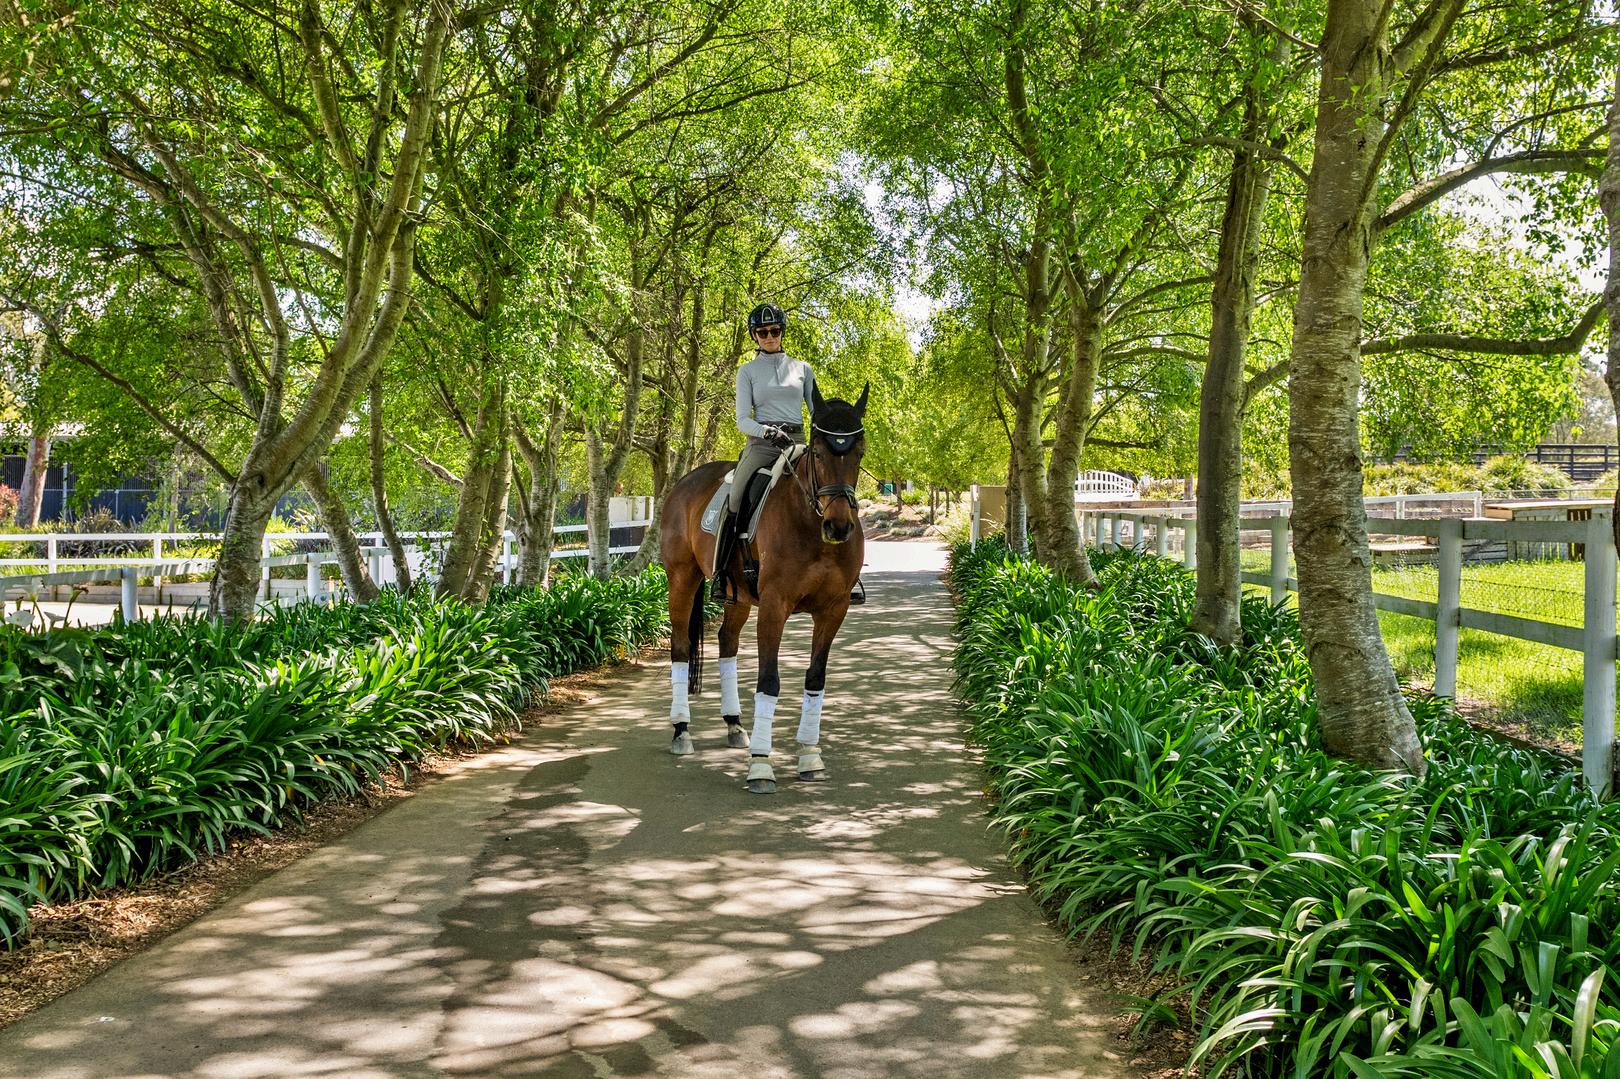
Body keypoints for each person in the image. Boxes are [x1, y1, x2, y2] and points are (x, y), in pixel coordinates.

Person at [712, 302, 816, 601]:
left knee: (833, 487)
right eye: (762, 332)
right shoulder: (747, 371)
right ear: (754, 336)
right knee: (735, 498)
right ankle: (721, 572)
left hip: (798, 442)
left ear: (782, 331)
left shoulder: (803, 369)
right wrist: (767, 432)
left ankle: (847, 572)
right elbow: (742, 419)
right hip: (762, 445)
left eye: (775, 330)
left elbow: (815, 411)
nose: (769, 336)